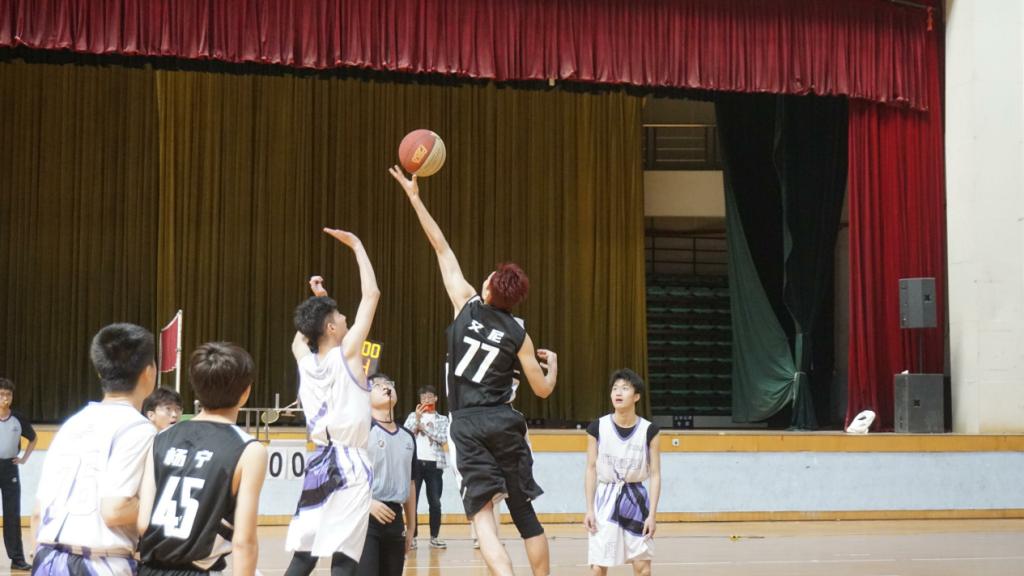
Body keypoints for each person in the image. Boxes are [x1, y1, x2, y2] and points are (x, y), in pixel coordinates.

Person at [391, 166, 558, 576]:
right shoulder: (519, 333)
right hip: (504, 420)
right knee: (524, 514)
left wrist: (415, 198)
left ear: (488, 289)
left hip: (466, 424)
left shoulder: (465, 305)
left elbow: (440, 247)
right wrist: (552, 367)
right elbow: (542, 390)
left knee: (482, 517)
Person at [284, 228, 380, 576]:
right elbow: (372, 294)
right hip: (350, 461)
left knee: (304, 555)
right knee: (344, 557)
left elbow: (302, 336)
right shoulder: (349, 354)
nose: (345, 319)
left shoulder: (304, 359)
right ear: (331, 329)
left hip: (319, 461)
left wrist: (320, 302)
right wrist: (357, 245)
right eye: (338, 317)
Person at [32, 323, 158, 575]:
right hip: (99, 563)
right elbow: (114, 510)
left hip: (47, 557)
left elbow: (38, 510)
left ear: (100, 373)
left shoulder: (72, 424)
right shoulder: (140, 429)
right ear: (149, 372)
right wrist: (160, 502)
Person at [137, 342, 268, 576]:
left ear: (195, 387)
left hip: (149, 569)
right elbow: (244, 541)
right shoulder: (249, 450)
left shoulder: (161, 438)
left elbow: (144, 523)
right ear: (246, 392)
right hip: (198, 569)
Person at [583, 369, 662, 576]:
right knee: (598, 567)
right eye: (615, 388)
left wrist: (652, 515)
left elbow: (655, 474)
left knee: (643, 568)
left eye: (625, 388)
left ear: (636, 396)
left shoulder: (649, 430)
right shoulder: (597, 427)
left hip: (636, 500)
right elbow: (591, 469)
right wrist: (589, 509)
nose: (618, 392)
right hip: (605, 500)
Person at [358, 374, 417, 576]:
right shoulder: (361, 430)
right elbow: (345, 476)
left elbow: (411, 482)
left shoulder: (408, 436)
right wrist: (367, 503)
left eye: (389, 383)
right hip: (364, 516)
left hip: (395, 519)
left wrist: (411, 526)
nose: (385, 387)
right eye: (377, 385)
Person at [402, 385, 448, 549]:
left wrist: (425, 429)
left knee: (435, 502)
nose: (426, 400)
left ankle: (434, 537)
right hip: (415, 463)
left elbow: (443, 438)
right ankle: (412, 537)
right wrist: (417, 420)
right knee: (412, 502)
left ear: (436, 398)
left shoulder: (442, 419)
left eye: (429, 397)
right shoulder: (412, 416)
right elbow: (404, 435)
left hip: (434, 464)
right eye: (423, 398)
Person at [0, 378, 36, 572]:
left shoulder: (18, 418)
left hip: (9, 468)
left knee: (12, 514)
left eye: (8, 394)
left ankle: (17, 559)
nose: (5, 398)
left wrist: (23, 459)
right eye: (1, 394)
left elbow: (33, 438)